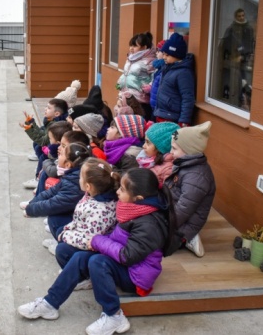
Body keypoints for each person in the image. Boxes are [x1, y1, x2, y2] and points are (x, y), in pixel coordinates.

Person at [17, 168, 175, 335]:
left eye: (122, 189)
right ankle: (50, 304)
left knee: (97, 262)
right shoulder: (132, 207)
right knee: (75, 255)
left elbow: (127, 256)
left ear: (139, 198)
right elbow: (117, 238)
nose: (117, 191)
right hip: (123, 263)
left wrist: (97, 241)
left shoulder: (149, 224)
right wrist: (94, 240)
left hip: (135, 276)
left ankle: (114, 316)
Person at [54, 157, 120, 290]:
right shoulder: (93, 194)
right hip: (84, 232)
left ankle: (84, 277)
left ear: (88, 186)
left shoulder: (99, 211)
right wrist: (67, 229)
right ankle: (73, 270)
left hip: (94, 249)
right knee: (58, 227)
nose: (79, 180)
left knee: (61, 249)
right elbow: (79, 220)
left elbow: (89, 242)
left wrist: (66, 236)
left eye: (80, 177)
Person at [23, 142, 91, 255]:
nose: (58, 154)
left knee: (55, 218)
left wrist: (31, 210)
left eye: (61, 155)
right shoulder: (72, 175)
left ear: (68, 164)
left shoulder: (75, 182)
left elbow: (54, 204)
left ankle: (62, 245)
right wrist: (32, 204)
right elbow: (51, 192)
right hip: (78, 214)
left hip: (83, 227)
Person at [165, 121, 216, 257]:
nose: (170, 152)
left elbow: (184, 209)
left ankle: (189, 238)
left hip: (184, 224)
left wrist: (163, 223)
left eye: (174, 148)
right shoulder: (187, 164)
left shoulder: (197, 177)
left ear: (188, 150)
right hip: (173, 212)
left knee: (152, 242)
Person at [20, 98, 69, 189]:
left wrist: (29, 129)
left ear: (57, 113)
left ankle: (38, 179)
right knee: (37, 145)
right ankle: (40, 167)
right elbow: (43, 133)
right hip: (53, 146)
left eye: (49, 108)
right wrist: (32, 124)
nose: (45, 109)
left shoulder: (55, 125)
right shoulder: (50, 120)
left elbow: (43, 140)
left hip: (55, 151)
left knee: (42, 154)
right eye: (46, 106)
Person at [153, 33, 195, 127]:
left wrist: (184, 122)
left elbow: (187, 98)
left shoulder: (183, 73)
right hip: (161, 114)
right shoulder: (167, 67)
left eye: (167, 55)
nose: (164, 57)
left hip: (172, 118)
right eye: (163, 54)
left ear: (177, 55)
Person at [116, 32, 156, 120]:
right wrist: (120, 82)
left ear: (144, 47)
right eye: (130, 45)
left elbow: (155, 75)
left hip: (139, 99)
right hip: (126, 97)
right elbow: (126, 73)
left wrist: (150, 86)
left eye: (134, 46)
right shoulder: (130, 59)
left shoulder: (149, 61)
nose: (131, 48)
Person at [221, 8, 255, 108]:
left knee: (244, 82)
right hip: (232, 61)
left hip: (244, 60)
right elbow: (225, 44)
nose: (241, 18)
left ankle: (243, 101)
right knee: (233, 83)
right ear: (236, 17)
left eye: (243, 15)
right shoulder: (231, 29)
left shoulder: (249, 29)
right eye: (239, 16)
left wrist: (244, 55)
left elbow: (250, 44)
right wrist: (231, 56)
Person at [136, 121, 179, 187]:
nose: (143, 146)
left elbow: (166, 192)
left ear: (161, 148)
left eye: (148, 143)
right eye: (145, 141)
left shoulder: (167, 169)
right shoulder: (145, 159)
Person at [149, 39, 166, 119]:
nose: (156, 53)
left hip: (158, 107)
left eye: (158, 51)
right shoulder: (158, 66)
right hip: (154, 105)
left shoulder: (164, 68)